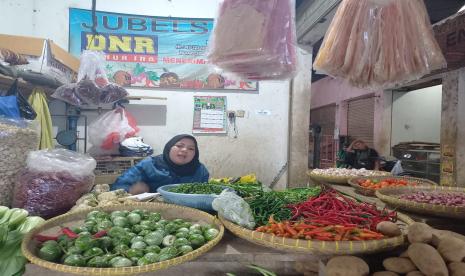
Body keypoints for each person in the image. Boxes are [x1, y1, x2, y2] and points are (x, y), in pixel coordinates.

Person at [111, 134, 209, 194]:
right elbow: (118, 187)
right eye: (179, 146)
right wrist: (130, 190)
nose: (184, 150)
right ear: (169, 147)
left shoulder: (200, 171)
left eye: (191, 148)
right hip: (151, 215)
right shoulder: (150, 165)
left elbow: (205, 194)